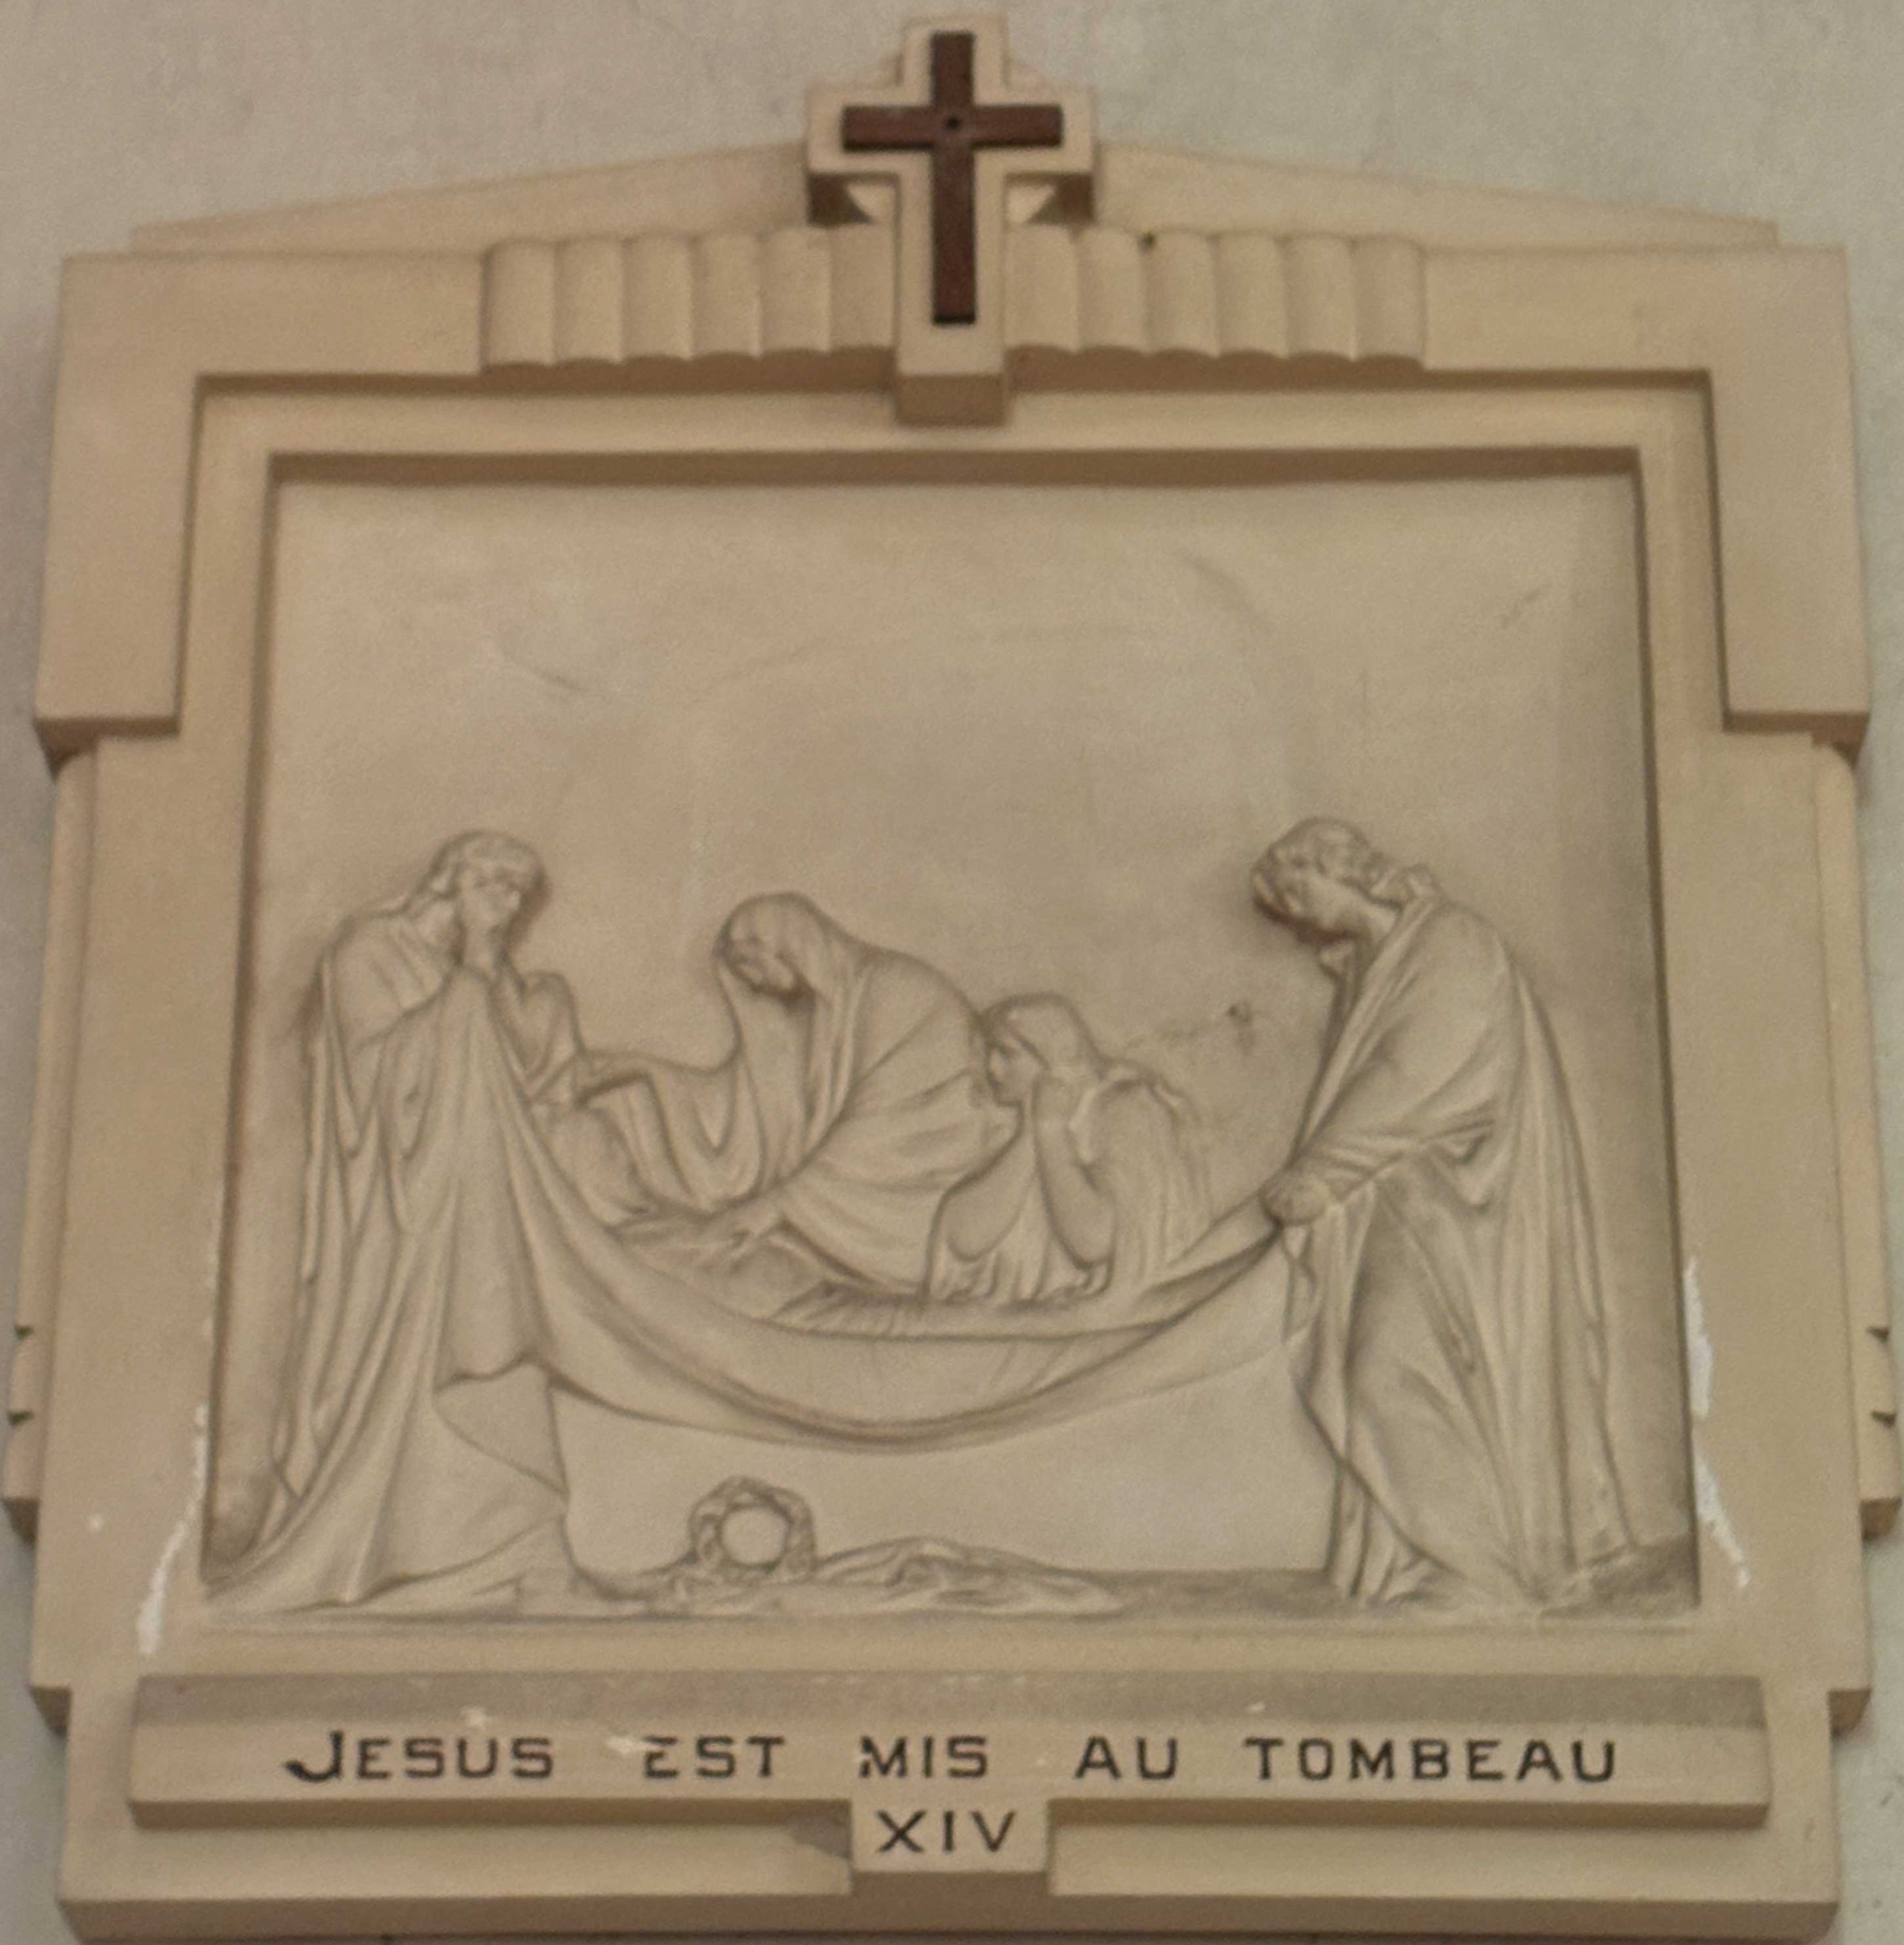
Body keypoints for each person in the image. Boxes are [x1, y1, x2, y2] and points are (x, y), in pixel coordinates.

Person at [1252, 818, 1635, 1608]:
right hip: (1396, 1204)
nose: (1295, 910)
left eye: (1298, 885)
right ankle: (1440, 1557)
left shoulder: (1451, 942)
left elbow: (1416, 1070)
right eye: (1284, 900)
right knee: (1387, 1371)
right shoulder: (1365, 971)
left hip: (1461, 1207)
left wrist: (1322, 1173)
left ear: (1343, 868)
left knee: (1384, 1371)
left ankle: (1476, 1568)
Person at [227, 831, 611, 1610]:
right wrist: (473, 973)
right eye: (491, 882)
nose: (505, 902)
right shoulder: (369, 951)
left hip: (480, 1206)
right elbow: (372, 1077)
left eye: (516, 891)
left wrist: (493, 976)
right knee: (432, 1366)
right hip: (398, 1214)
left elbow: (527, 1078)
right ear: (447, 881)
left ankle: (530, 1560)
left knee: (500, 1352)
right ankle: (398, 1554)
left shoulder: (483, 971)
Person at [572, 893, 1010, 1293]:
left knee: (744, 1265)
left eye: (754, 962)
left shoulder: (897, 992)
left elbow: (887, 1131)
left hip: (909, 1208)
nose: (752, 981)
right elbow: (742, 1107)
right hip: (817, 1212)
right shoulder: (807, 1017)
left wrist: (780, 1207)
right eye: (740, 970)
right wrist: (647, 1074)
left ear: (793, 948)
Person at [924, 994, 1210, 1308]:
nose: (992, 1067)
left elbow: (1094, 1240)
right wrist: (1031, 1136)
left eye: (1007, 1053)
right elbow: (963, 1238)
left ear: (1051, 1055)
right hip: (1031, 1320)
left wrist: (1052, 1134)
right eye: (990, 1051)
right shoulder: (1012, 1124)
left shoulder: (1126, 1108)